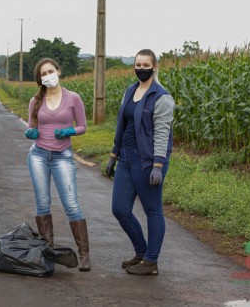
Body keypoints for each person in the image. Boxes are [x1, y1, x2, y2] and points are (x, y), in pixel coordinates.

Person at [106, 49, 175, 275]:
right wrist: (114, 155)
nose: (141, 69)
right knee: (120, 209)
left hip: (147, 161)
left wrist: (157, 165)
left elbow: (162, 134)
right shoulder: (130, 90)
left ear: (154, 67)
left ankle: (151, 261)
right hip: (125, 158)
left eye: (146, 65)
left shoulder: (161, 97)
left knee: (153, 210)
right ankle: (142, 252)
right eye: (138, 65)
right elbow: (121, 125)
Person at [25, 57, 91, 271]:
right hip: (38, 155)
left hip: (63, 155)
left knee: (71, 205)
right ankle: (48, 252)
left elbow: (82, 126)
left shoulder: (73, 98)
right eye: (43, 74)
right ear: (39, 79)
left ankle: (84, 255)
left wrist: (69, 131)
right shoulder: (36, 100)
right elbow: (30, 126)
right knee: (42, 203)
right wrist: (30, 132)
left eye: (50, 71)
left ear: (59, 71)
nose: (47, 76)